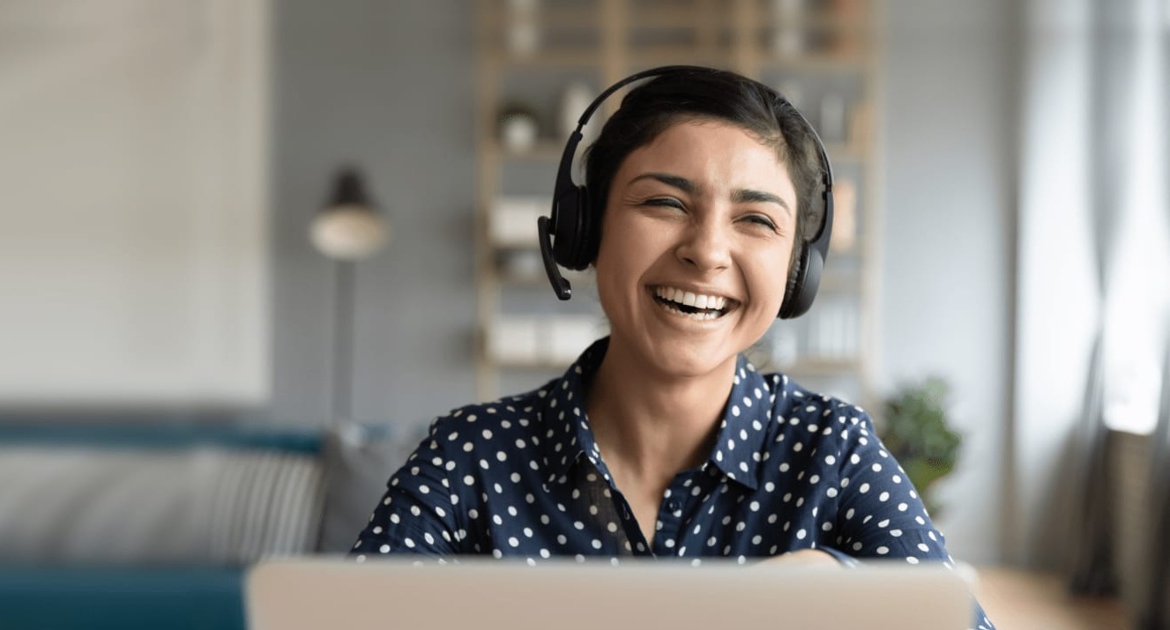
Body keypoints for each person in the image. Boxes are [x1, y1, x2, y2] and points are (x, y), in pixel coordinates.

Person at [352, 66, 993, 629]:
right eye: (664, 202)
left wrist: (845, 589)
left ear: (798, 272)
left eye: (757, 220)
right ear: (586, 229)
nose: (708, 251)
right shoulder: (472, 454)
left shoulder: (832, 451)